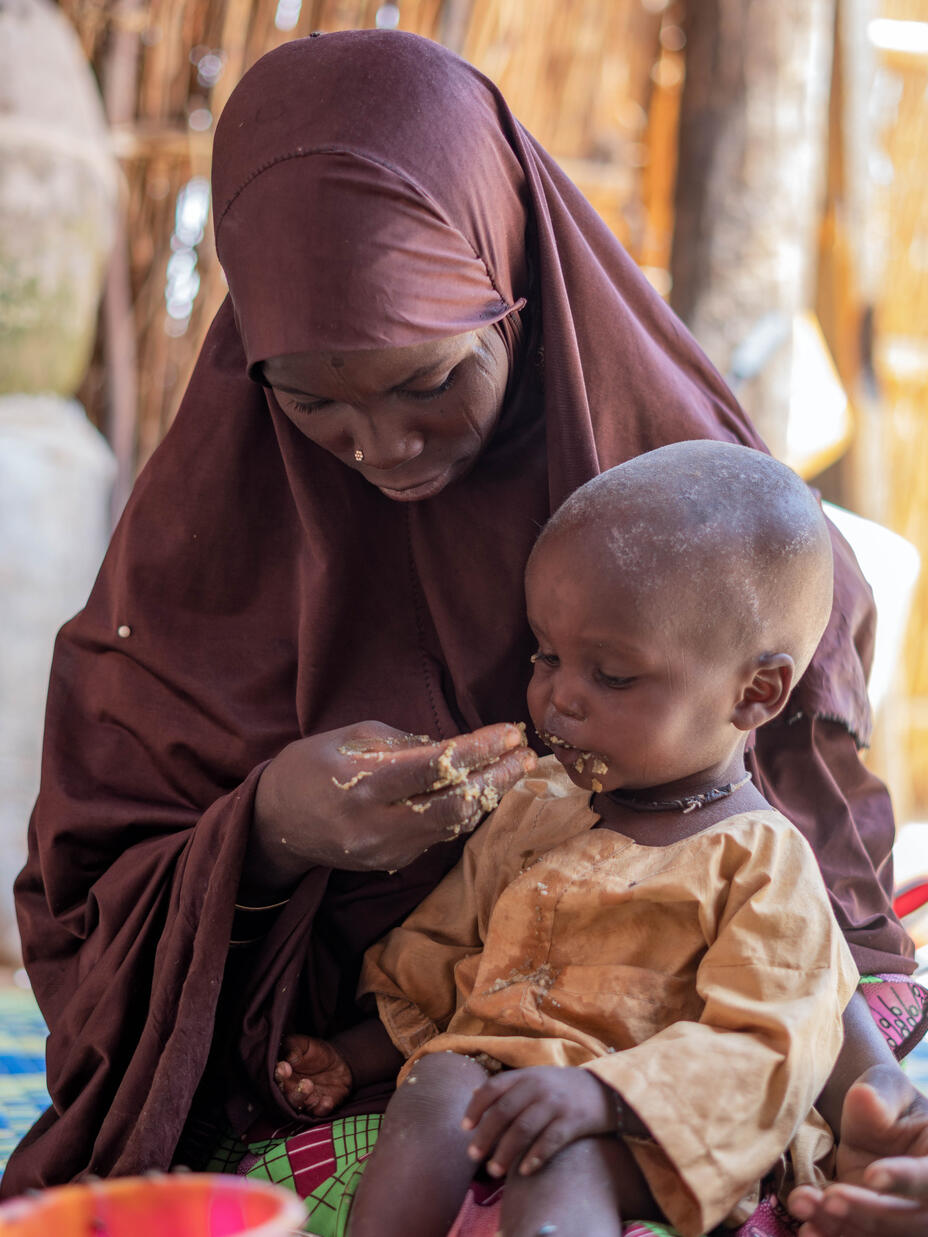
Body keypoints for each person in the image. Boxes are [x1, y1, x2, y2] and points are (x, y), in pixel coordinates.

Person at [3, 27, 926, 1237]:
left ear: (513, 294)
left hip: (695, 1038)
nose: (380, 449)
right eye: (312, 401)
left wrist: (853, 1093)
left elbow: (806, 904)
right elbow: (95, 912)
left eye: (428, 382)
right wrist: (272, 828)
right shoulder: (210, 540)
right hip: (416, 1057)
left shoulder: (683, 492)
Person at [273, 442, 860, 1237]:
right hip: (499, 1080)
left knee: (567, 1155)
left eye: (612, 675)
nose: (559, 699)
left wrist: (603, 1097)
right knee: (438, 1079)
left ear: (754, 693)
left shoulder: (762, 862)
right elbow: (446, 959)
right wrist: (353, 1055)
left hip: (652, 1130)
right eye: (545, 655)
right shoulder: (541, 805)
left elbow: (769, 1045)